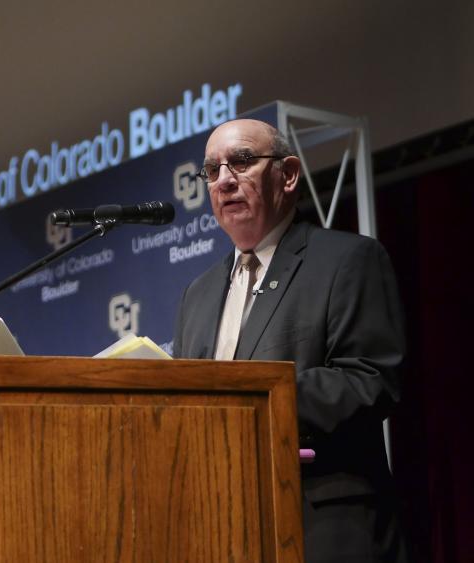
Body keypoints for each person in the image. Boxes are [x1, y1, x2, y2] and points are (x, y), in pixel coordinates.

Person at [173, 119, 407, 562]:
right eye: (212, 170)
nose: (224, 180)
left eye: (241, 162)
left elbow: (371, 380)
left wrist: (255, 397)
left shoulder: (347, 260)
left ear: (289, 174)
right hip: (220, 525)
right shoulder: (197, 295)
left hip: (320, 523)